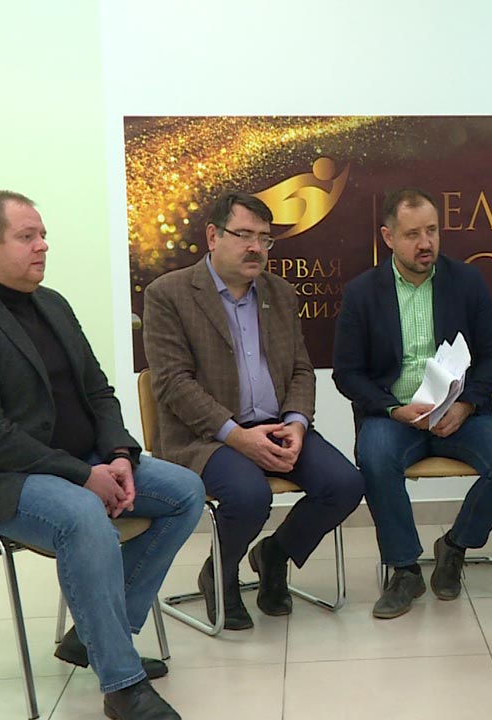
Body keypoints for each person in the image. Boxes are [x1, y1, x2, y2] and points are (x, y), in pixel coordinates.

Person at [0, 191, 203, 720]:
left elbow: (98, 391)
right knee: (82, 515)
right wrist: (82, 475)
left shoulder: (52, 304)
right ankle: (122, 684)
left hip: (75, 460)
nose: (43, 245)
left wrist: (118, 454)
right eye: (27, 236)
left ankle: (95, 638)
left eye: (42, 234)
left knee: (185, 491)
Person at [143, 192, 365, 630]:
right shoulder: (168, 294)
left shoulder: (280, 293)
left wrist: (297, 424)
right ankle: (220, 574)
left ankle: (275, 554)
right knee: (249, 496)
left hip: (276, 425)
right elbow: (172, 384)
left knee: (345, 484)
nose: (255, 248)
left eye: (264, 239)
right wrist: (237, 436)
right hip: (206, 437)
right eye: (244, 235)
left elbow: (300, 369)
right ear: (213, 236)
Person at [333, 187, 492, 619]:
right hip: (395, 415)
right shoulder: (363, 293)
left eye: (432, 231)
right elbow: (347, 374)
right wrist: (392, 409)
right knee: (375, 457)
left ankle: (454, 546)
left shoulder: (466, 281)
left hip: (460, 413)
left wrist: (467, 405)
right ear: (388, 237)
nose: (426, 243)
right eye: (412, 235)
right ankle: (405, 569)